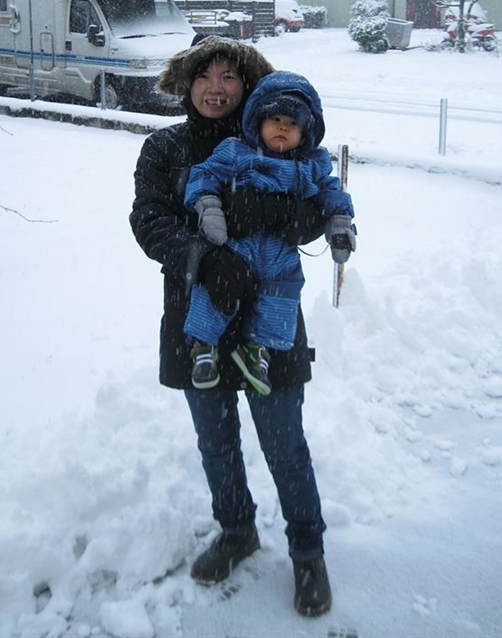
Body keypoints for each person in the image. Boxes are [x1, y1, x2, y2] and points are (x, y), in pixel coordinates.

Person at [129, 37, 334, 616]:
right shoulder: (164, 147)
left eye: (229, 77)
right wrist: (205, 256)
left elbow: (318, 208)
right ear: (187, 83)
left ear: (250, 87)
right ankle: (237, 529)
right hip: (198, 316)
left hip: (268, 316)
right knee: (216, 441)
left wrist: (279, 214)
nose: (216, 88)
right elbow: (148, 219)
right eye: (205, 76)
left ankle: (308, 551)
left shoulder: (277, 131)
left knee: (283, 442)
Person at [183, 70, 356, 396]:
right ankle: (203, 346)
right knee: (218, 284)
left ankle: (259, 350)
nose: (282, 127)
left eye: (292, 123)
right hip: (238, 243)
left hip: (281, 249)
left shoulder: (311, 164)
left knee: (286, 289)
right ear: (257, 122)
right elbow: (204, 175)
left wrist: (338, 223)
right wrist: (210, 206)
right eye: (274, 118)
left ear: (305, 133)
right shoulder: (237, 152)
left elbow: (331, 193)